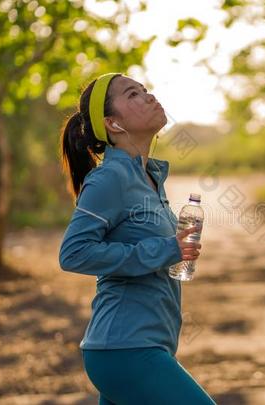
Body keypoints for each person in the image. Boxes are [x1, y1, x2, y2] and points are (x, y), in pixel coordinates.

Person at [58, 72, 216, 404]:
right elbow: (73, 253)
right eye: (132, 94)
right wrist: (165, 248)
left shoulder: (149, 178)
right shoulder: (109, 178)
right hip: (126, 349)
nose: (148, 96)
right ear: (113, 124)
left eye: (144, 90)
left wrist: (172, 251)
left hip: (147, 345)